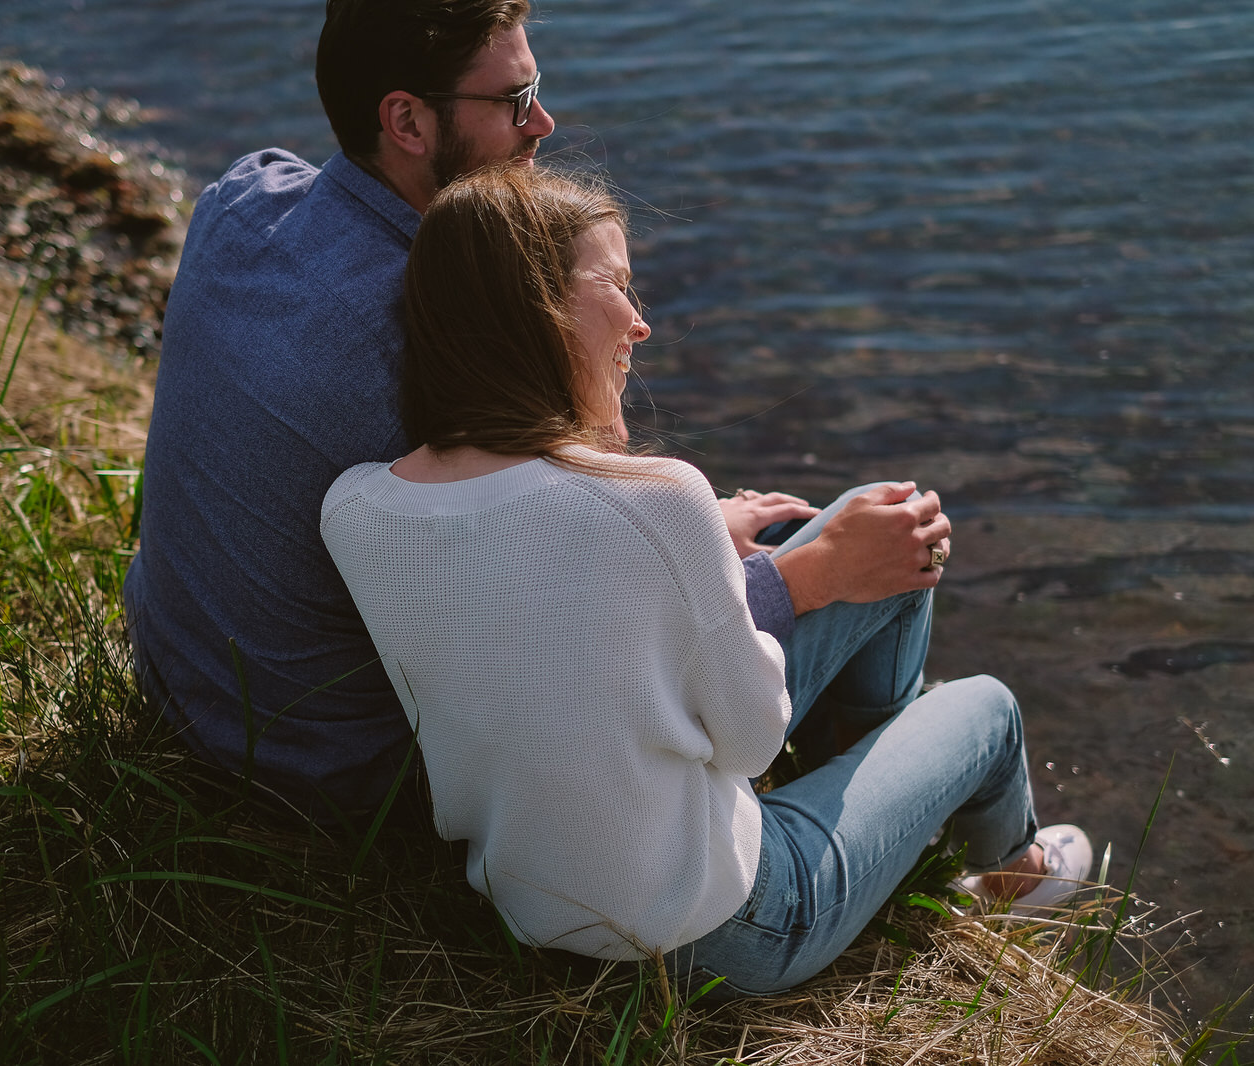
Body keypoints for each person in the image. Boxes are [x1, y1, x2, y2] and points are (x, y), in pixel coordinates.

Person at [124, 0, 968, 825]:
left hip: (183, 687)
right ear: (407, 122)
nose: (545, 124)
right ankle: (897, 843)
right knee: (874, 546)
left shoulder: (243, 198)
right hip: (340, 774)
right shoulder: (440, 346)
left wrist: (699, 535)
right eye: (514, 100)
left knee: (766, 544)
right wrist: (802, 576)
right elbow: (583, 638)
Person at [319, 165, 1093, 995]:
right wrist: (727, 555)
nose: (641, 324)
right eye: (616, 285)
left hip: (532, 906)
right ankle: (1013, 872)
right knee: (985, 709)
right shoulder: (656, 499)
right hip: (726, 927)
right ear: (532, 311)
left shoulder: (357, 508)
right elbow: (749, 741)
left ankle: (879, 823)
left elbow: (539, 614)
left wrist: (703, 552)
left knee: (861, 543)